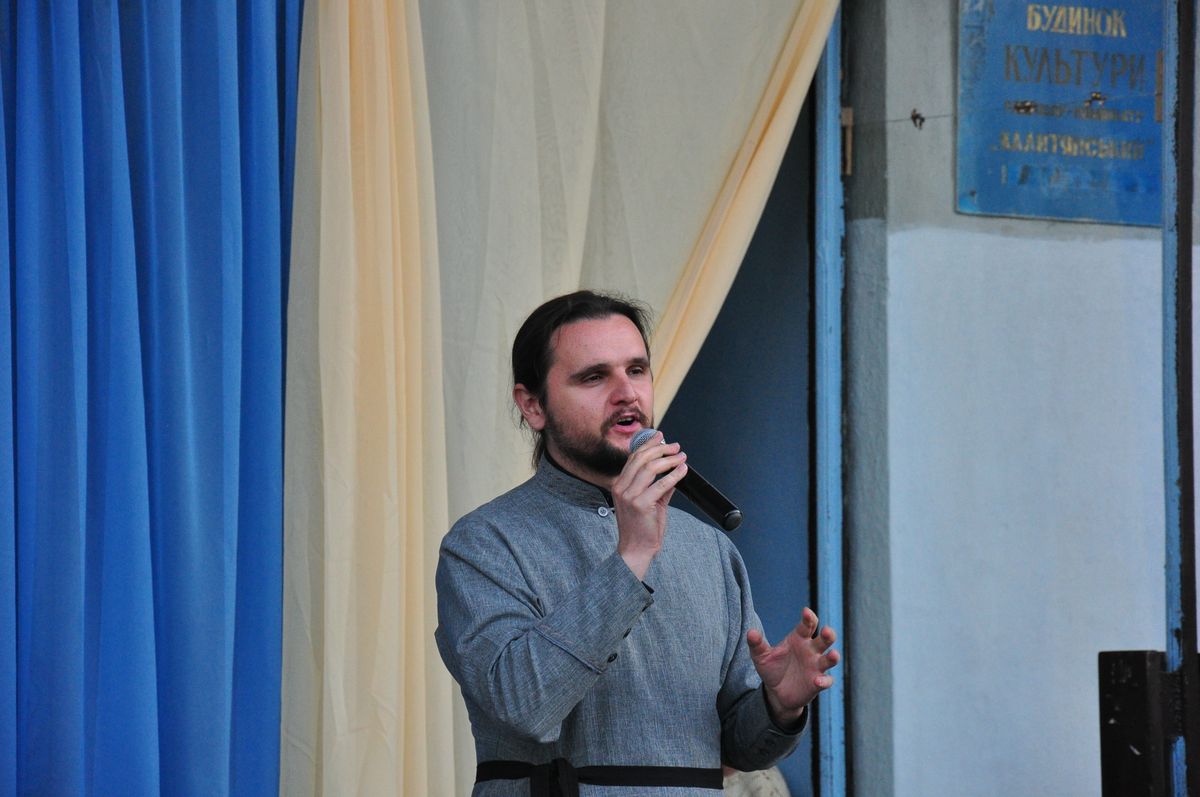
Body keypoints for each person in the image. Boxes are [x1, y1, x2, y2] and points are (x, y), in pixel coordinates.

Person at [435, 290, 840, 796]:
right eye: (594, 377)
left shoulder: (710, 550)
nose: (626, 393)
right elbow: (523, 706)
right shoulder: (484, 543)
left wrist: (779, 706)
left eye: (637, 370)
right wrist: (631, 557)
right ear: (533, 405)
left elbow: (737, 750)